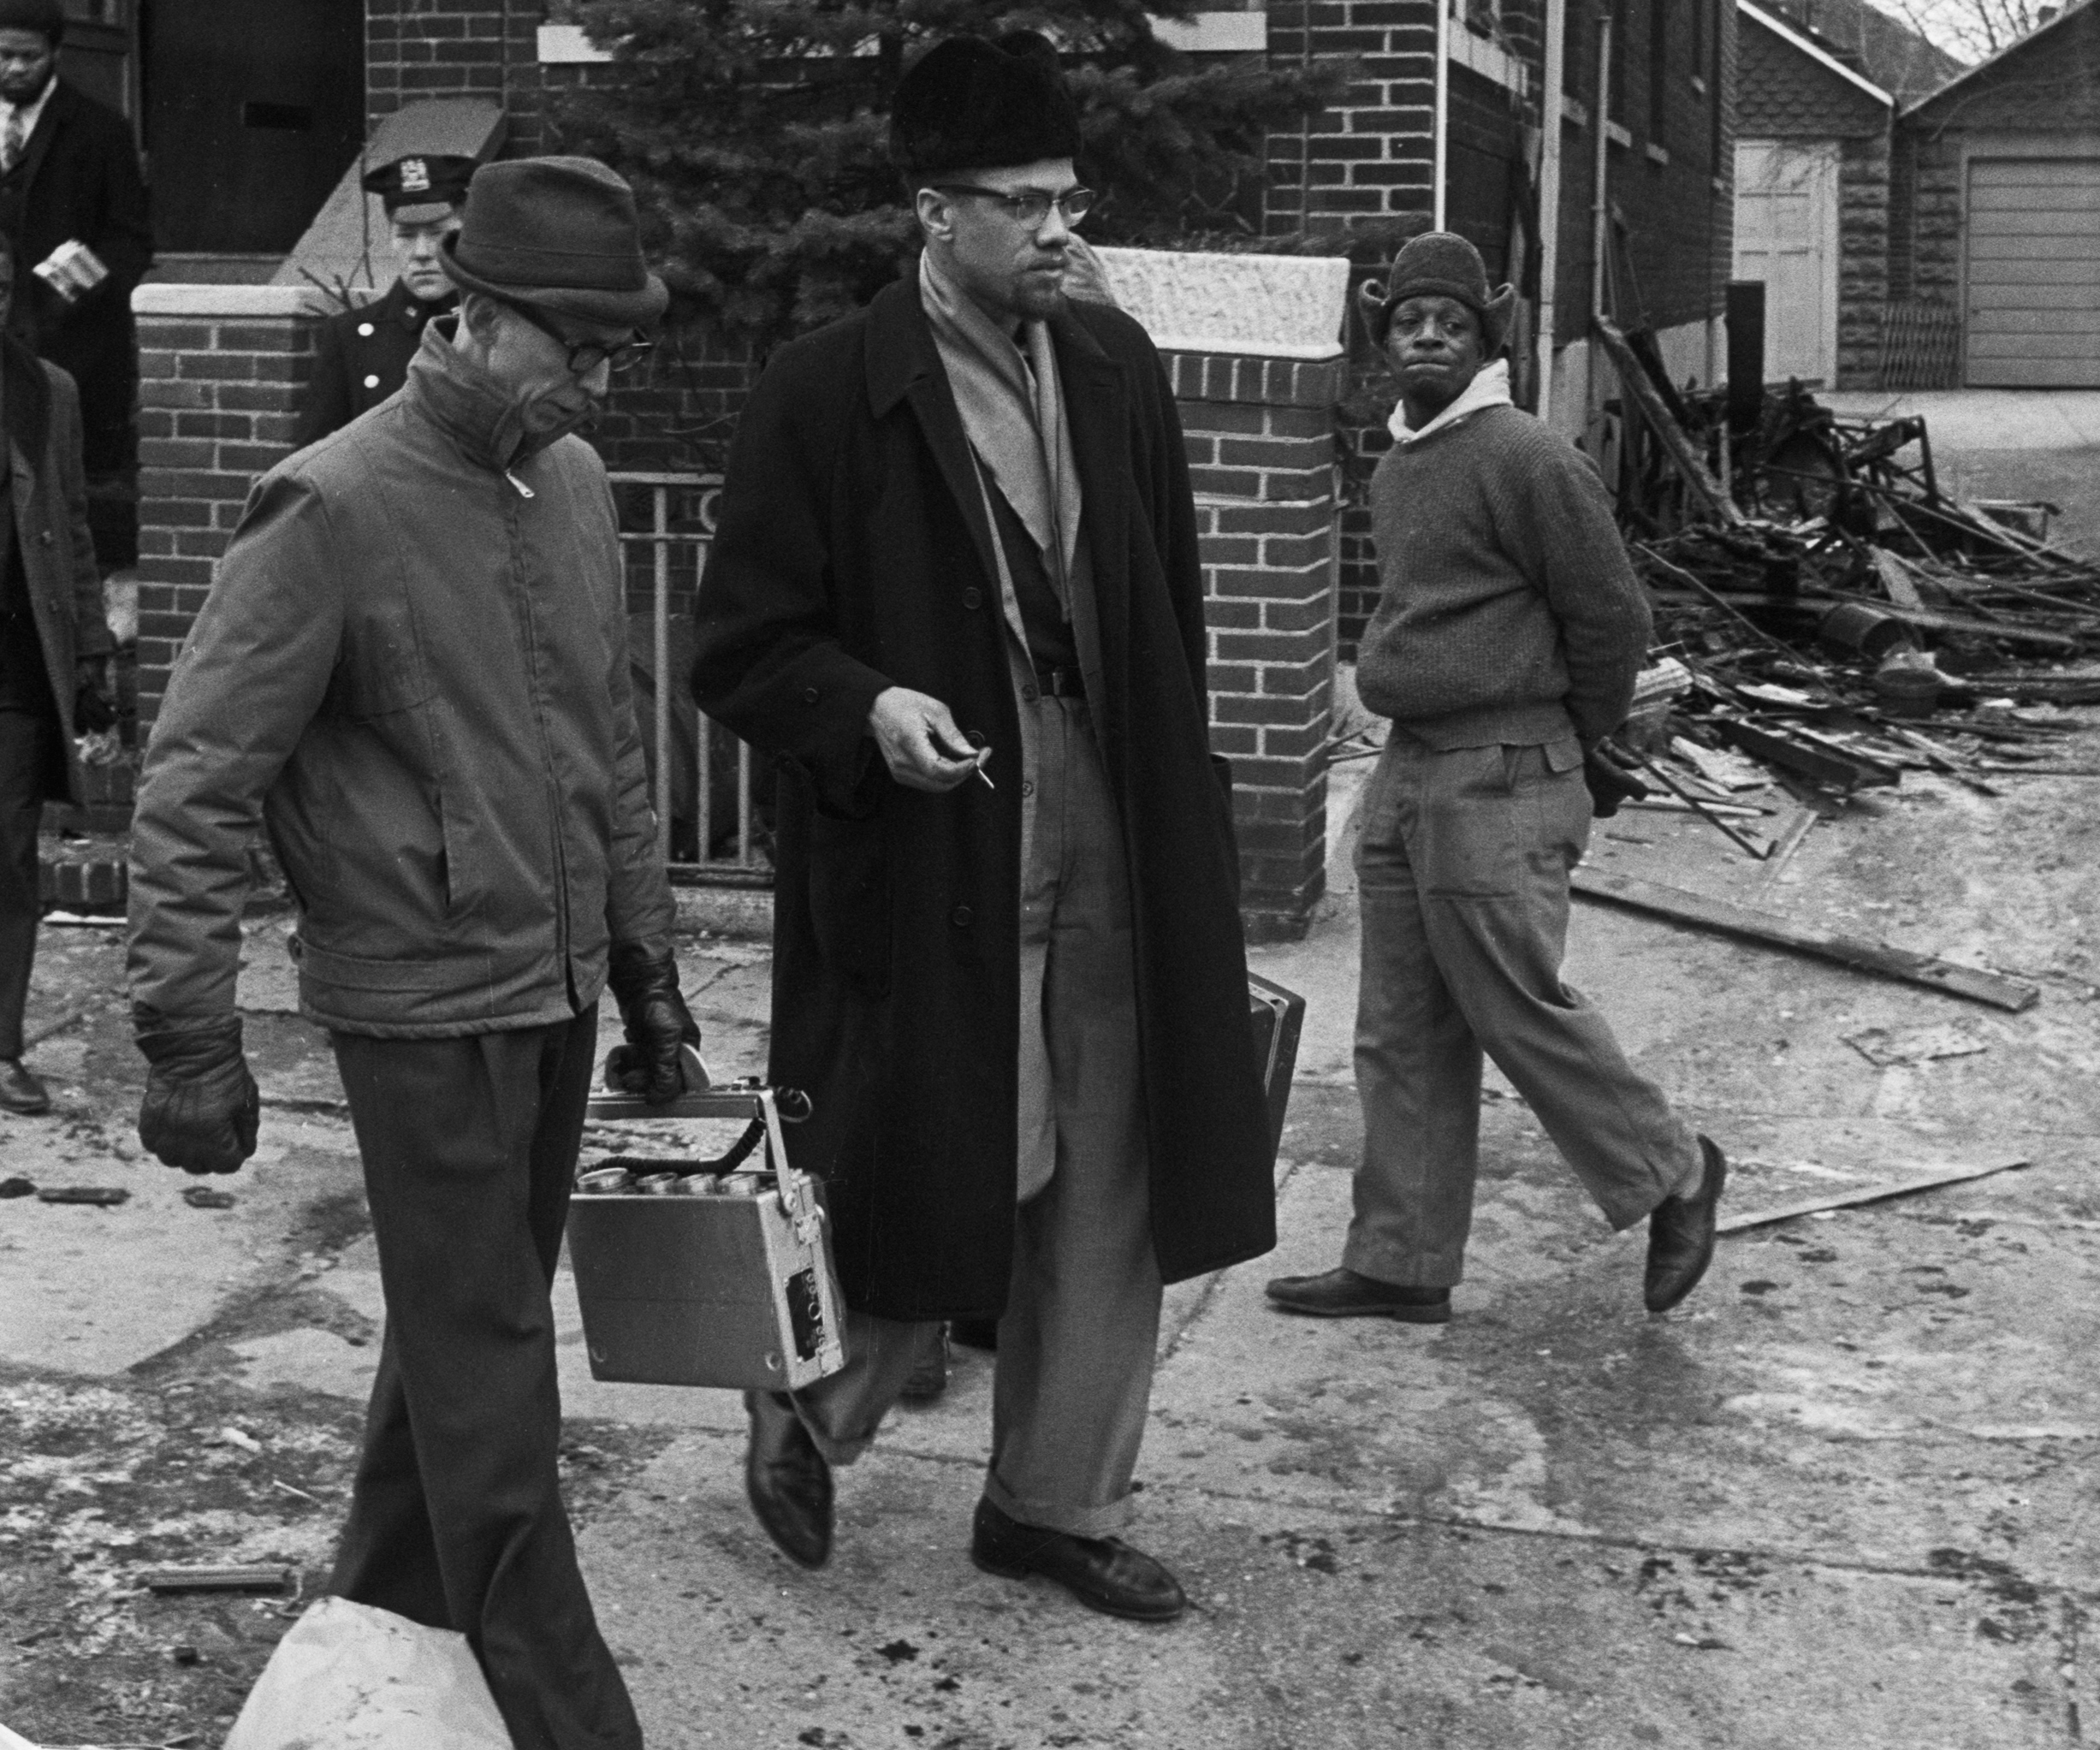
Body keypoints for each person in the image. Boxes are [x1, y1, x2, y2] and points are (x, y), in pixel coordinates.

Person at [691, 31, 1275, 1624]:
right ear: (931, 213)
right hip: (934, 848)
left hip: (1113, 821)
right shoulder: (825, 393)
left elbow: (1169, 605)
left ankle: (1052, 1505)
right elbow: (737, 647)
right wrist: (867, 708)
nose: (1057, 229)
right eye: (1020, 203)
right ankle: (807, 1414)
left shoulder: (1112, 366)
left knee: (1111, 1170)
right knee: (939, 1159)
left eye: (1066, 198)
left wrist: (1178, 803)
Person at [127, 157, 696, 1750]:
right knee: (496, 1371)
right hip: (420, 1009)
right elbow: (194, 776)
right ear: (476, 316)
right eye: (576, 345)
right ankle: (580, 1725)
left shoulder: (569, 482)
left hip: (555, 987)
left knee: (467, 1332)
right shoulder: (331, 504)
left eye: (617, 349)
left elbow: (610, 753)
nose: (598, 380)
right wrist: (186, 1034)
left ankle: (377, 1622)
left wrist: (644, 971)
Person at [1265, 231, 1726, 1329]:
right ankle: (1403, 1258)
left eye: (1453, 323)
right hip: (1411, 764)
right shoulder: (1403, 459)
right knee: (1402, 1026)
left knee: (1513, 1002)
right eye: (1411, 321)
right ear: (1384, 340)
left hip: (1501, 767)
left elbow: (1611, 614)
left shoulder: (1524, 454)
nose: (1429, 335)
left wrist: (1572, 740)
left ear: (1486, 339)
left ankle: (1675, 1166)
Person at [0, 231, 108, 1116]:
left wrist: (91, 656)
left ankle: (1, 1049)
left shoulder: (45, 392)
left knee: (7, 865)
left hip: (12, 671)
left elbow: (70, 524)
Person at [0, 0, 150, 496]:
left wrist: (75, 285)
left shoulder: (102, 130)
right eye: (3, 55)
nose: (17, 68)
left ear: (57, 53)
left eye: (31, 57)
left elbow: (131, 238)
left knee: (71, 492)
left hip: (74, 348)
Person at [294, 152, 474, 448]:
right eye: (405, 235)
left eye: (437, 232)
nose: (421, 252)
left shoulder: (495, 329)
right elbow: (312, 458)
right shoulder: (350, 336)